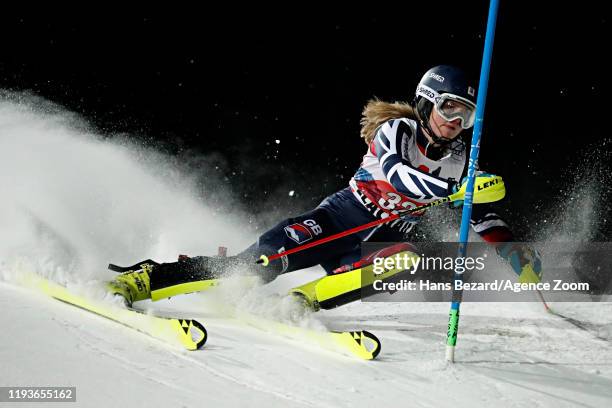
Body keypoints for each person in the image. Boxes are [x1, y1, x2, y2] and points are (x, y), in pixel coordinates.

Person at [109, 65, 542, 305]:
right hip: (338, 218)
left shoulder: (461, 161)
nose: (454, 121)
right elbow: (395, 175)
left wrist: (513, 251)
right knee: (252, 270)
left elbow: (481, 214)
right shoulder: (397, 130)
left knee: (405, 259)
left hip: (377, 242)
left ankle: (302, 303)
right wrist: (452, 192)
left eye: (464, 115)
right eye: (449, 107)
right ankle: (147, 279)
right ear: (427, 101)